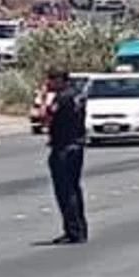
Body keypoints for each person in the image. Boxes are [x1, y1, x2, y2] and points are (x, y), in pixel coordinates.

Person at [45, 68, 87, 244]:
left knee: (65, 191)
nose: (49, 83)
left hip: (64, 147)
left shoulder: (62, 98)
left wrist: (43, 101)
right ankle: (80, 228)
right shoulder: (77, 95)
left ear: (60, 80)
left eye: (51, 80)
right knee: (75, 189)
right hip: (77, 145)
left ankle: (73, 230)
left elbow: (45, 118)